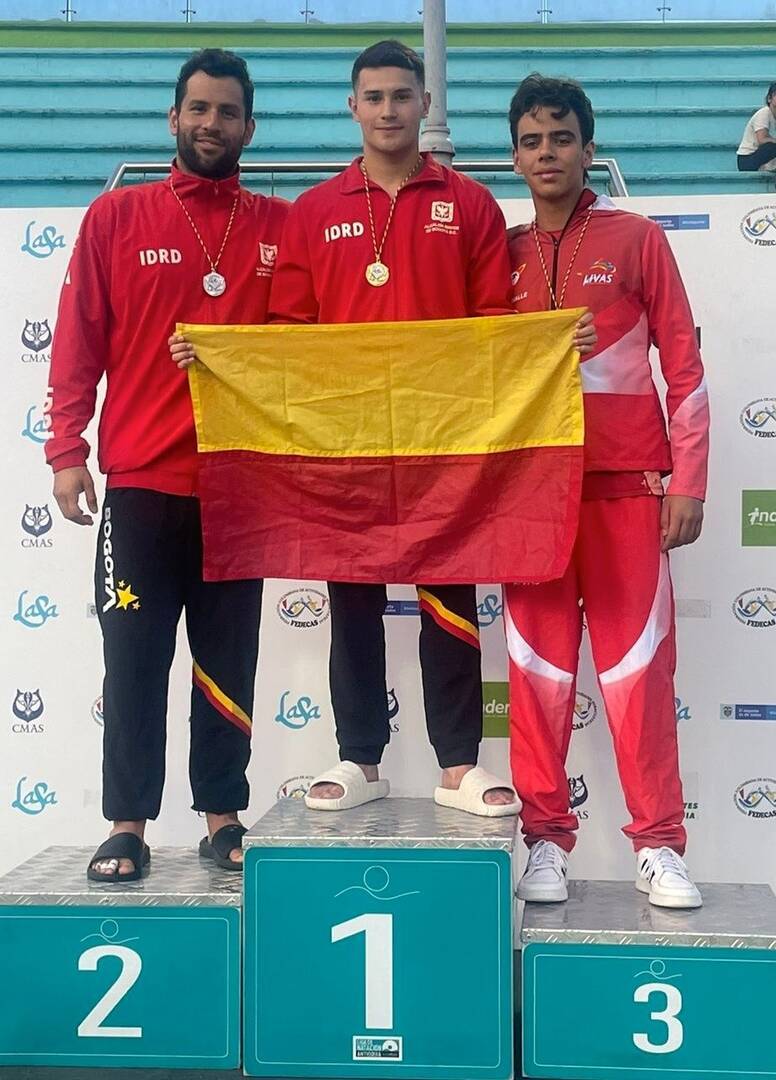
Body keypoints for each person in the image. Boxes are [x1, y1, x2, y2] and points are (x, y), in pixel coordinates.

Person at [171, 41, 596, 818]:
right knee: (354, 600)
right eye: (375, 97)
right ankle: (359, 757)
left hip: (447, 444)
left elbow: (496, 328)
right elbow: (290, 335)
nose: (390, 110)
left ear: (425, 104)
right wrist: (215, 355)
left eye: (404, 95)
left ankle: (458, 765)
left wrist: (548, 345)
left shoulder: (467, 204)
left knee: (449, 601)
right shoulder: (315, 212)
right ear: (353, 107)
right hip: (347, 447)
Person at [47, 48, 289, 881]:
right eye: (198, 109)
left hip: (239, 487)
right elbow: (77, 338)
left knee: (228, 663)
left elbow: (306, 352)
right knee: (136, 659)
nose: (211, 124)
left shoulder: (277, 226)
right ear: (172, 119)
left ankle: (223, 815)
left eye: (227, 112)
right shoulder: (117, 218)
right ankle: (128, 825)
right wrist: (65, 450)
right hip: (143, 486)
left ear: (250, 127)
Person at [504, 74, 709, 908]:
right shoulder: (501, 255)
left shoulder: (637, 240)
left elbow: (685, 368)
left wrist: (687, 479)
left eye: (560, 139)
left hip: (627, 491)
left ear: (589, 149)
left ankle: (659, 845)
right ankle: (545, 841)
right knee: (538, 678)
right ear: (515, 156)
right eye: (531, 140)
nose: (546, 153)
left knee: (637, 677)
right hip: (530, 503)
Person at [737, 82, 776, 172]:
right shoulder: (764, 113)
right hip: (747, 160)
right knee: (771, 146)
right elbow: (762, 139)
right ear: (769, 98)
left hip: (765, 158)